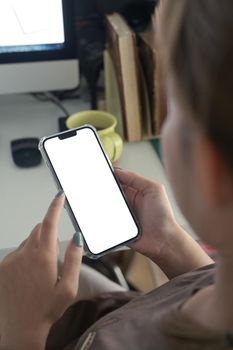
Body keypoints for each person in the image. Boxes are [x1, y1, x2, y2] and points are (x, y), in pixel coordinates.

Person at [1, 0, 233, 348]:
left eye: (170, 109)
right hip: (116, 313)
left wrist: (22, 330)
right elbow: (212, 283)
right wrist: (169, 242)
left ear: (209, 167)